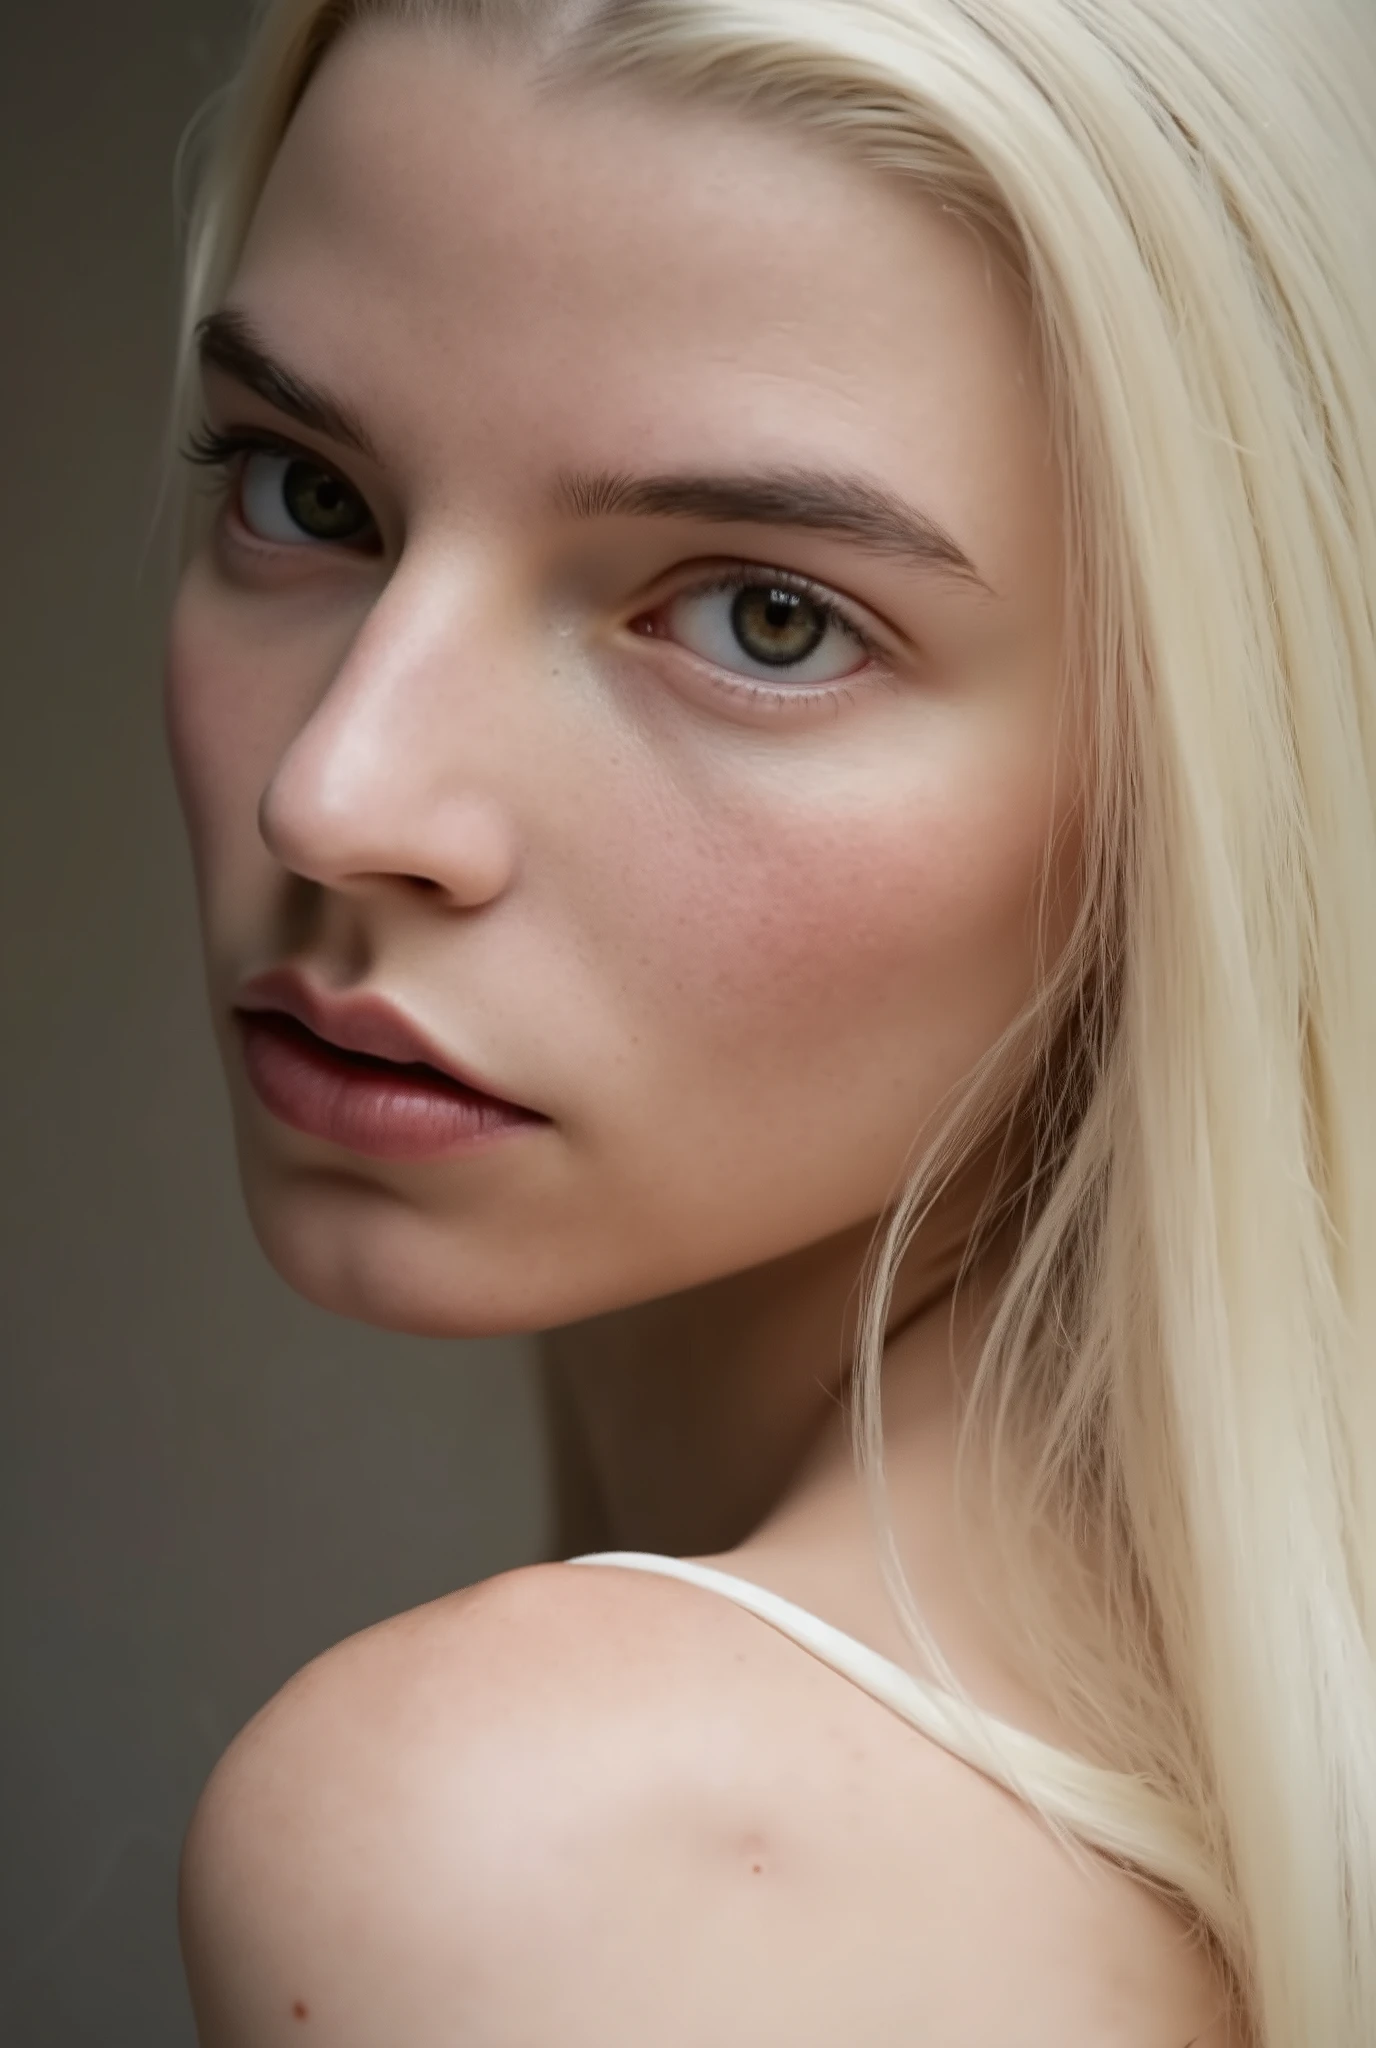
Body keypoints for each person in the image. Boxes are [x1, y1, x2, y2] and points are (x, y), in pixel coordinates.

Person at [164, 0, 1376, 2041]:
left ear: (1226, 770)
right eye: (306, 495)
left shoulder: (556, 1858)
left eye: (763, 616)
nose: (338, 794)